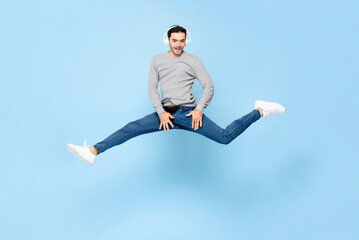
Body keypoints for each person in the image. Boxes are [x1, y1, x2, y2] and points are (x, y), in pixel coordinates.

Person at [67, 25, 286, 165]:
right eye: (175, 40)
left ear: (186, 41)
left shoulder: (193, 60)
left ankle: (260, 110)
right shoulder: (157, 60)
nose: (178, 44)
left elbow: (208, 86)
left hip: (188, 114)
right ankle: (93, 151)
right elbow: (152, 88)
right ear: (168, 41)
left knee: (225, 138)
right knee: (130, 128)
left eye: (182, 40)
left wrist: (199, 109)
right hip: (165, 115)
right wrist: (161, 113)